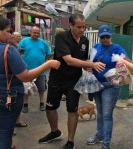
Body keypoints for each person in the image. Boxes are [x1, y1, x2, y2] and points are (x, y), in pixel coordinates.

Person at [38, 13, 105, 149]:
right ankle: (54, 131)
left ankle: (70, 141)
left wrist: (88, 66)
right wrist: (90, 65)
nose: (82, 30)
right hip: (57, 79)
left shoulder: (85, 41)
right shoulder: (61, 37)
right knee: (50, 107)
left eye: (84, 27)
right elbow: (68, 60)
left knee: (72, 110)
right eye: (79, 27)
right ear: (71, 26)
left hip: (74, 81)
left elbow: (83, 61)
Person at [0, 16, 60, 149]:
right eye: (9, 31)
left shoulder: (40, 43)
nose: (12, 35)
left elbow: (47, 53)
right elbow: (25, 77)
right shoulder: (8, 50)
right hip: (7, 96)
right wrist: (48, 64)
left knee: (40, 89)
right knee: (5, 132)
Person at [86, 25, 130, 149]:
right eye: (102, 37)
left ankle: (106, 143)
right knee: (99, 112)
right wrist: (91, 64)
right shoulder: (96, 47)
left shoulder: (116, 48)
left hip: (111, 86)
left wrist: (122, 60)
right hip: (96, 84)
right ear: (99, 37)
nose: (105, 39)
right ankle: (99, 135)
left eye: (107, 36)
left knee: (106, 114)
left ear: (111, 36)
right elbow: (89, 62)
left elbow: (128, 62)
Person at [18, 26, 52, 113]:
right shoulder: (24, 41)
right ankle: (25, 105)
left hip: (41, 71)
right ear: (30, 32)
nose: (36, 34)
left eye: (38, 33)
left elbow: (49, 53)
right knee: (26, 89)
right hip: (27, 71)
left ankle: (41, 103)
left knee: (41, 88)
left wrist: (45, 61)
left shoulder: (43, 42)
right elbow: (18, 53)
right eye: (34, 32)